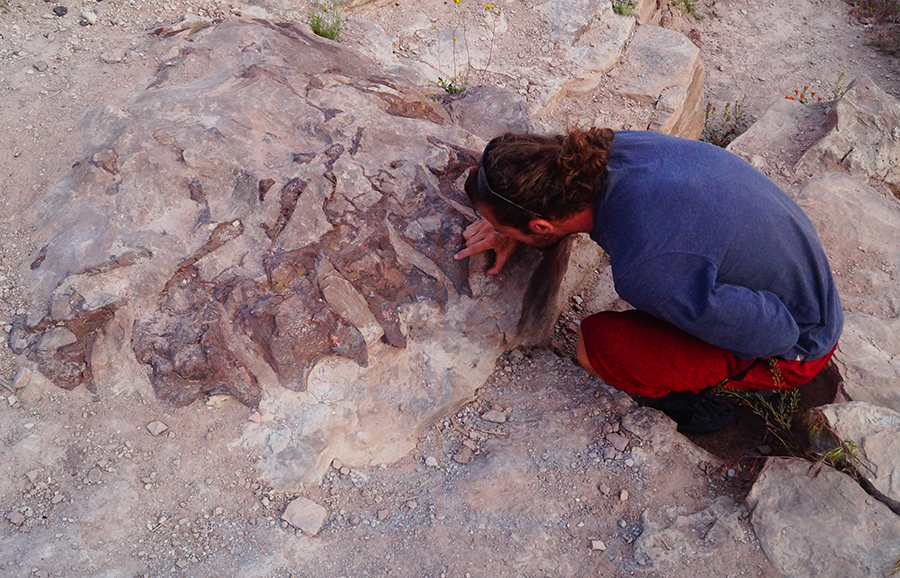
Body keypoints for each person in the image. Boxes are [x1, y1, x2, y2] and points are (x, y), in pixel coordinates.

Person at [453, 128, 843, 433]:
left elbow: (774, 332)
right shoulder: (617, 148)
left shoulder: (646, 267)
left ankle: (710, 400)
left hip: (798, 342)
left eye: (500, 225)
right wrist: (509, 223)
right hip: (798, 267)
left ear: (540, 224)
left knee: (598, 345)